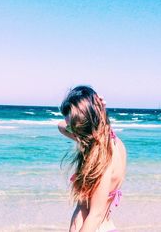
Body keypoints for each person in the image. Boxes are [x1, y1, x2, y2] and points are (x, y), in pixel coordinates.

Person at [58, 86, 127, 232]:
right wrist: (99, 114)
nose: (71, 133)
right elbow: (61, 126)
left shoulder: (102, 158)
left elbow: (96, 215)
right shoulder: (112, 143)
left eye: (74, 129)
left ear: (86, 128)